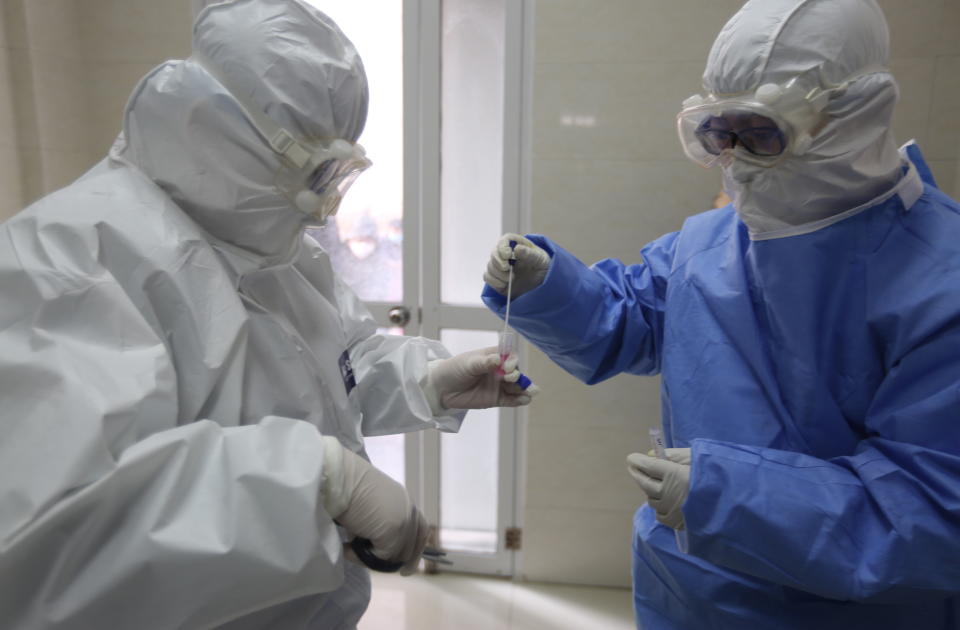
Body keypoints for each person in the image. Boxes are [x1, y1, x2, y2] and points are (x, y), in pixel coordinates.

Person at [0, 1, 534, 628]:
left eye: (340, 172)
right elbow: (57, 543)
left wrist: (424, 380)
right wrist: (315, 481)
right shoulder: (68, 259)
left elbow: (333, 364)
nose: (324, 209)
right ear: (215, 128)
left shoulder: (266, 244)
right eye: (317, 171)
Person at [482, 0, 960, 627]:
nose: (733, 158)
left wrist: (725, 496)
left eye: (760, 132)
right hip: (685, 590)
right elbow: (631, 320)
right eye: (717, 133)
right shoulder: (711, 240)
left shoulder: (941, 285)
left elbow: (931, 512)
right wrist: (549, 285)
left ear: (850, 116)